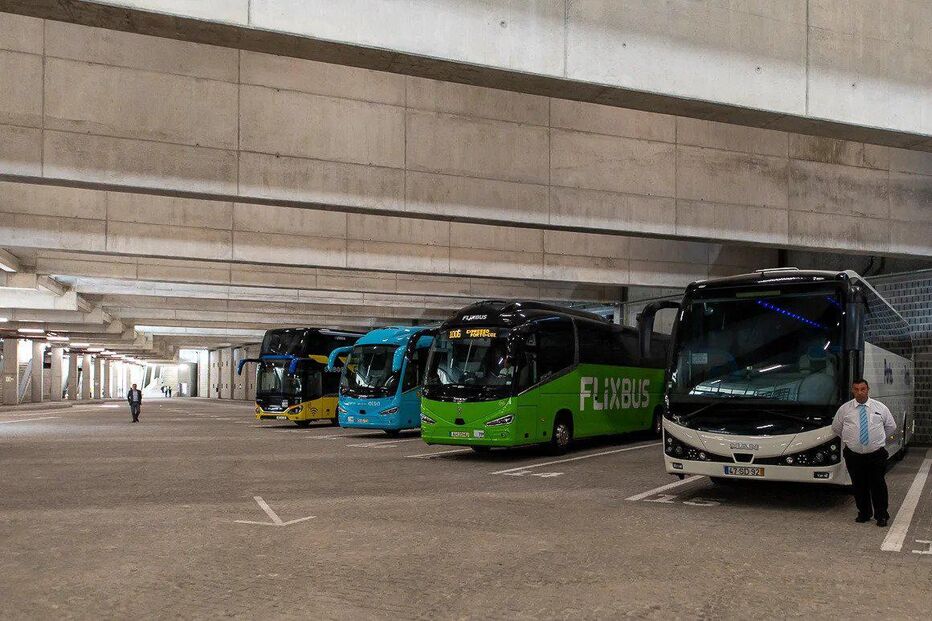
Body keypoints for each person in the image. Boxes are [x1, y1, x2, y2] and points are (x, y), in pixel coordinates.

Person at [832, 379, 897, 527]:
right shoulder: (845, 409)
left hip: (876, 455)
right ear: (852, 391)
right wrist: (851, 441)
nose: (860, 392)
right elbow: (837, 428)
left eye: (863, 389)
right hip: (853, 456)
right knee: (858, 485)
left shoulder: (880, 407)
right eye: (856, 389)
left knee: (878, 485)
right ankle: (864, 513)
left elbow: (890, 426)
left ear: (868, 389)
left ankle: (881, 515)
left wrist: (877, 440)